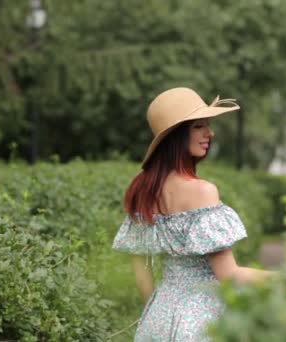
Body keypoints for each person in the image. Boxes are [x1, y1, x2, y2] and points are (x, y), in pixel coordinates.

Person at [112, 87, 277, 341]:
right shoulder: (203, 191)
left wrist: (161, 312)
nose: (209, 133)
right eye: (199, 126)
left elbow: (141, 274)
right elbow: (229, 275)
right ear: (176, 136)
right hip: (201, 319)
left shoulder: (142, 191)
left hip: (157, 318)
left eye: (208, 125)